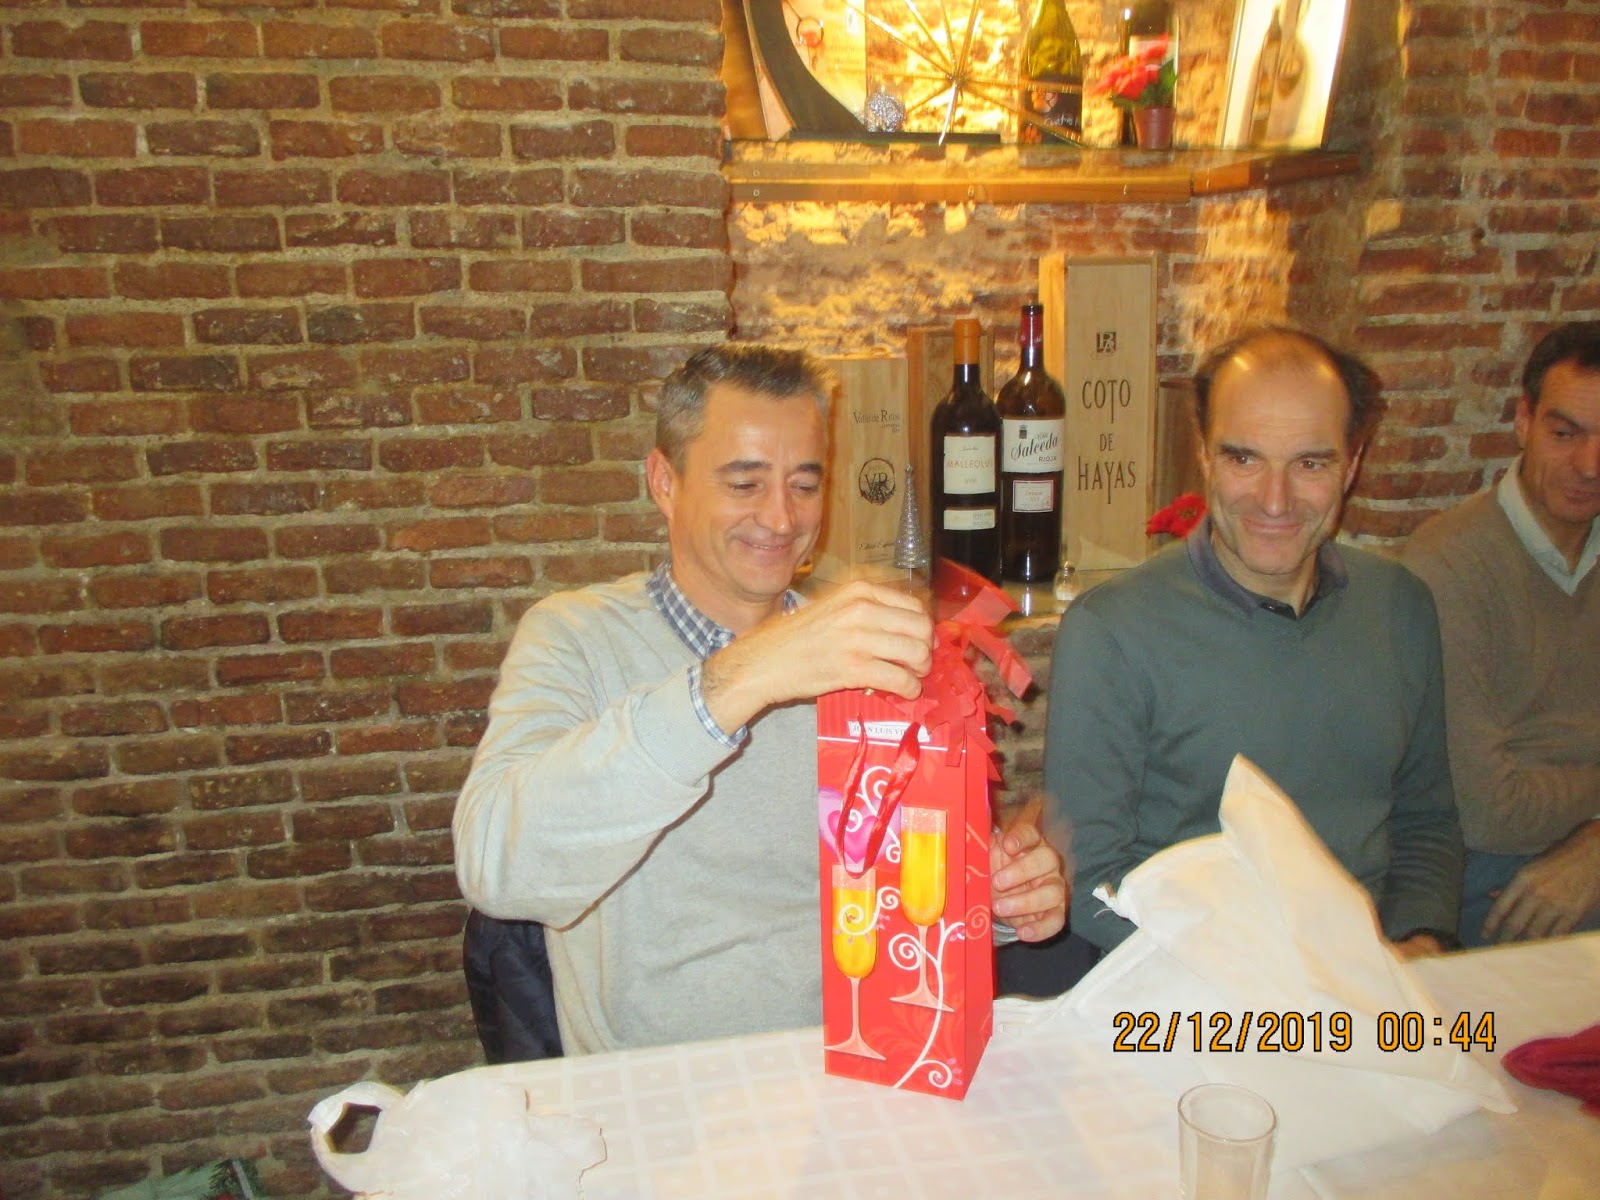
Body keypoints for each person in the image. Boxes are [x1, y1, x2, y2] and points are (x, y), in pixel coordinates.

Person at [453, 343, 1068, 1057]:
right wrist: (744, 676)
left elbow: (911, 891)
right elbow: (499, 869)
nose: (780, 518)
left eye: (804, 485)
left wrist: (995, 899)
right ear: (665, 482)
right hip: (666, 1089)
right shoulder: (575, 638)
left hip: (869, 1061)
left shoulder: (869, 649)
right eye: (745, 483)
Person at [1045, 327, 1463, 958]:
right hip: (1190, 991)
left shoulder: (1400, 607)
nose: (1275, 500)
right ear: (1204, 456)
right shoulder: (1112, 631)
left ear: (1353, 465)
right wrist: (1267, 988)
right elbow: (1091, 884)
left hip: (1376, 977)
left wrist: (1420, 944)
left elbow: (1427, 823)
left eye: (1311, 463)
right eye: (1244, 459)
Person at [1400, 322, 1600, 947]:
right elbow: (1490, 810)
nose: (1590, 466)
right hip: (1493, 867)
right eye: (1565, 434)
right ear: (1523, 421)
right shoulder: (1449, 566)